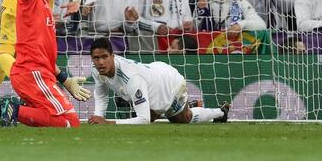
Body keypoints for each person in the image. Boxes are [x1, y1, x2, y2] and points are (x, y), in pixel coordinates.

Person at [87, 37, 229, 124]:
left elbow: (144, 120)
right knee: (141, 116)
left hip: (168, 83)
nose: (100, 62)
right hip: (152, 77)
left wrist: (107, 123)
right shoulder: (96, 70)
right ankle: (184, 105)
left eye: (104, 57)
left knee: (183, 119)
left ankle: (220, 112)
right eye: (96, 58)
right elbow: (101, 96)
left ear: (113, 56)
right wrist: (98, 118)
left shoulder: (131, 77)